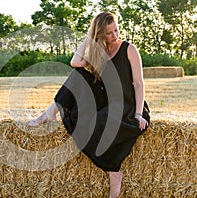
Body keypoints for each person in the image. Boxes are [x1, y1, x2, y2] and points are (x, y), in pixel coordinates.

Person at [28, 12, 150, 198]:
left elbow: (139, 84)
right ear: (99, 34)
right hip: (106, 100)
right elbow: (75, 62)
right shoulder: (98, 52)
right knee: (78, 75)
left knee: (100, 124)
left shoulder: (129, 49)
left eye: (116, 30)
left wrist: (139, 114)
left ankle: (113, 172)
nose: (114, 35)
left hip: (127, 104)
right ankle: (50, 112)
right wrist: (90, 39)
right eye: (108, 33)